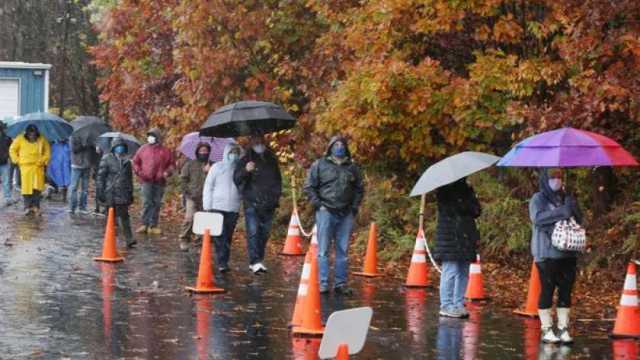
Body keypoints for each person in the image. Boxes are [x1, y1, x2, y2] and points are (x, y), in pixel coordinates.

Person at [304, 136, 364, 295]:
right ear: (330, 147)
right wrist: (319, 205)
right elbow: (309, 187)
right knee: (323, 250)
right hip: (326, 211)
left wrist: (353, 208)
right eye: (336, 144)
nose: (339, 147)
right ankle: (323, 283)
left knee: (343, 250)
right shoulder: (320, 165)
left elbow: (359, 189)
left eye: (342, 144)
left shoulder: (352, 168)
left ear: (346, 147)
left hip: (345, 213)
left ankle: (340, 283)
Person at [529, 168, 582, 344]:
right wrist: (561, 212)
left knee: (566, 291)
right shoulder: (538, 198)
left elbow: (579, 220)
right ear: (545, 178)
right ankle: (546, 329)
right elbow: (538, 219)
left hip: (568, 252)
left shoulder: (566, 197)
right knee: (547, 290)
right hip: (546, 254)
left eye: (559, 177)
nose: (557, 180)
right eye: (553, 177)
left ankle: (563, 328)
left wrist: (572, 206)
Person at [233, 135, 282, 274]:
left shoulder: (271, 160)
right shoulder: (245, 160)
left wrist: (276, 196)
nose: (259, 145)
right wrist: (246, 171)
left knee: (264, 233)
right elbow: (237, 179)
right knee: (253, 232)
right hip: (251, 202)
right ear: (251, 144)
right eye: (256, 143)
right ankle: (254, 261)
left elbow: (277, 180)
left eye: (261, 142)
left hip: (269, 203)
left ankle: (259, 258)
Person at [434, 178, 481, 318]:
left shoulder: (468, 189)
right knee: (451, 270)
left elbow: (477, 210)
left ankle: (458, 303)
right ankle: (446, 305)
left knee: (464, 271)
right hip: (450, 237)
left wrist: (466, 203)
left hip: (466, 236)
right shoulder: (443, 189)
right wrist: (465, 205)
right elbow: (450, 210)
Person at [203, 142, 242, 272]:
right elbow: (208, 186)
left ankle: (223, 260)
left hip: (233, 207)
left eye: (236, 152)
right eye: (232, 152)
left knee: (228, 235)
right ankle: (222, 262)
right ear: (226, 153)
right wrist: (207, 206)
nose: (234, 155)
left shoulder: (240, 169)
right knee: (220, 235)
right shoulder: (217, 168)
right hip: (217, 206)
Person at [132, 128, 175, 235]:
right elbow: (135, 162)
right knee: (147, 202)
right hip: (145, 180)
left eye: (152, 135)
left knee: (156, 203)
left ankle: (153, 225)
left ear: (158, 137)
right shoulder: (142, 149)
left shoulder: (165, 151)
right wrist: (139, 172)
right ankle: (144, 224)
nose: (150, 138)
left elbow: (172, 164)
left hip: (160, 181)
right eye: (149, 135)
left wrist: (167, 172)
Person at [96, 137, 136, 248]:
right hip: (111, 192)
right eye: (118, 146)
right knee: (111, 217)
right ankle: (109, 239)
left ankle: (129, 238)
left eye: (122, 146)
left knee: (125, 216)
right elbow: (101, 177)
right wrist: (100, 191)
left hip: (123, 192)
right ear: (113, 147)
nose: (120, 148)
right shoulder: (107, 159)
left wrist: (130, 193)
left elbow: (129, 179)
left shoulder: (127, 161)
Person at [9, 124, 51, 216]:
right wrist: (17, 160)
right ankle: (27, 207)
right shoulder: (20, 139)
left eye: (34, 133)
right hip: (25, 167)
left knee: (37, 188)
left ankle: (36, 207)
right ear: (27, 133)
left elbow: (47, 151)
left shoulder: (42, 139)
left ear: (37, 133)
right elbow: (12, 150)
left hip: (38, 168)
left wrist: (43, 160)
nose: (32, 136)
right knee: (26, 188)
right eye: (30, 134)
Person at [178, 143, 211, 251]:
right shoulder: (190, 164)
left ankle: (199, 241)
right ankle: (184, 239)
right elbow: (183, 179)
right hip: (191, 196)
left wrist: (208, 172)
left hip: (206, 197)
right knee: (189, 218)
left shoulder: (212, 165)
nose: (203, 153)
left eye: (205, 151)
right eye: (201, 150)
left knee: (203, 220)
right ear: (197, 151)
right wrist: (186, 192)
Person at [68, 131, 98, 214]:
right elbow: (73, 150)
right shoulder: (73, 136)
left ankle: (82, 207)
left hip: (87, 165)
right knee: (74, 187)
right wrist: (84, 145)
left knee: (85, 189)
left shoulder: (90, 137)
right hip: (76, 165)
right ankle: (72, 207)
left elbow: (93, 151)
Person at [0, 122, 14, 206]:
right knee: (6, 180)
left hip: (4, 162)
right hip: (4, 162)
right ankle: (7, 197)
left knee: (6, 181)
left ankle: (7, 197)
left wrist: (8, 156)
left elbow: (12, 147)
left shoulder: (7, 137)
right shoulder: (7, 137)